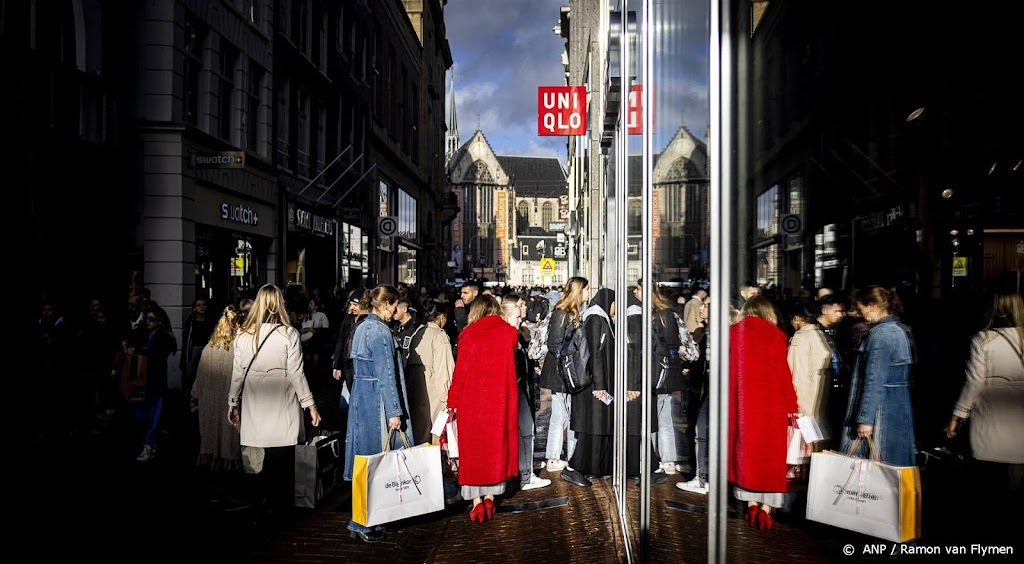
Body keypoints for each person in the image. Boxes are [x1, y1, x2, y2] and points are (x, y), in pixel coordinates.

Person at [228, 285, 321, 521]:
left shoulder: (243, 334)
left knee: (256, 454)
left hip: (254, 398)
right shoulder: (288, 334)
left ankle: (260, 502)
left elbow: (237, 372)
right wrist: (309, 405)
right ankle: (279, 505)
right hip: (282, 398)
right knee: (282, 455)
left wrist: (233, 402)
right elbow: (297, 374)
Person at [945, 291, 1023, 531]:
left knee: (991, 469)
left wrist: (957, 416)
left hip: (992, 407)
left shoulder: (984, 339)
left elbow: (974, 382)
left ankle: (993, 523)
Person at [342, 285, 411, 543]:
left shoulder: (361, 327)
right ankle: (364, 522)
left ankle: (362, 519)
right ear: (386, 304)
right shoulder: (380, 331)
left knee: (364, 463)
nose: (396, 311)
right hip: (376, 402)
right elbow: (387, 374)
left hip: (362, 397)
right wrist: (395, 411)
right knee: (376, 462)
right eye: (394, 305)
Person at [447, 296, 519, 522]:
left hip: (472, 402)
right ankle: (490, 496)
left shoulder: (468, 335)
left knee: (473, 450)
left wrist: (453, 401)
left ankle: (476, 502)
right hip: (499, 401)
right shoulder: (509, 334)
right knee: (496, 446)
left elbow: (461, 372)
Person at [730, 296, 798, 531]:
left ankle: (750, 503)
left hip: (741, 406)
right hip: (771, 407)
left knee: (745, 454)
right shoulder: (775, 337)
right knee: (770, 458)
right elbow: (783, 376)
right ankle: (766, 510)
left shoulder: (733, 334)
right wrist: (792, 406)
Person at [840, 286, 916, 466]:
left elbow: (874, 379)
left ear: (873, 305)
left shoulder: (880, 335)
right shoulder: (899, 330)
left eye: (862, 308)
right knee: (893, 466)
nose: (861, 313)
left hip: (880, 411)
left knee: (873, 467)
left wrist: (865, 419)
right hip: (897, 406)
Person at [191, 305, 243, 499]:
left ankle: (212, 489)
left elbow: (198, 380)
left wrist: (195, 399)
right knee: (229, 444)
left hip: (208, 406)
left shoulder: (209, 348)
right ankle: (231, 491)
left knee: (210, 443)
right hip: (230, 405)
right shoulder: (239, 348)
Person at [565, 288, 615, 485]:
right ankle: (582, 466)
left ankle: (594, 466)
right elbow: (595, 355)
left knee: (597, 425)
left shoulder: (599, 318)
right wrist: (600, 384)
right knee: (594, 426)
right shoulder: (596, 320)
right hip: (596, 385)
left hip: (598, 383)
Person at [500, 298, 551, 492]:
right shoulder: (508, 337)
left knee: (526, 431)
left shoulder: (517, 334)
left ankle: (524, 472)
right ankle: (525, 476)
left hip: (522, 391)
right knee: (525, 432)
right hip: (518, 391)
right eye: (517, 316)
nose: (521, 319)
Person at [541, 277, 589, 472]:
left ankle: (569, 455)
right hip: (561, 373)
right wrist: (570, 360)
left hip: (567, 372)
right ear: (578, 291)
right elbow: (554, 344)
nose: (588, 293)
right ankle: (553, 458)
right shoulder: (562, 313)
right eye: (585, 289)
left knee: (569, 415)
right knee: (560, 416)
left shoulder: (573, 312)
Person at [404, 300, 455, 446]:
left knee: (419, 438)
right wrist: (448, 399)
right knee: (437, 439)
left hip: (415, 392)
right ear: (440, 317)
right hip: (435, 394)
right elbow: (444, 369)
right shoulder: (439, 336)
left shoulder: (417, 334)